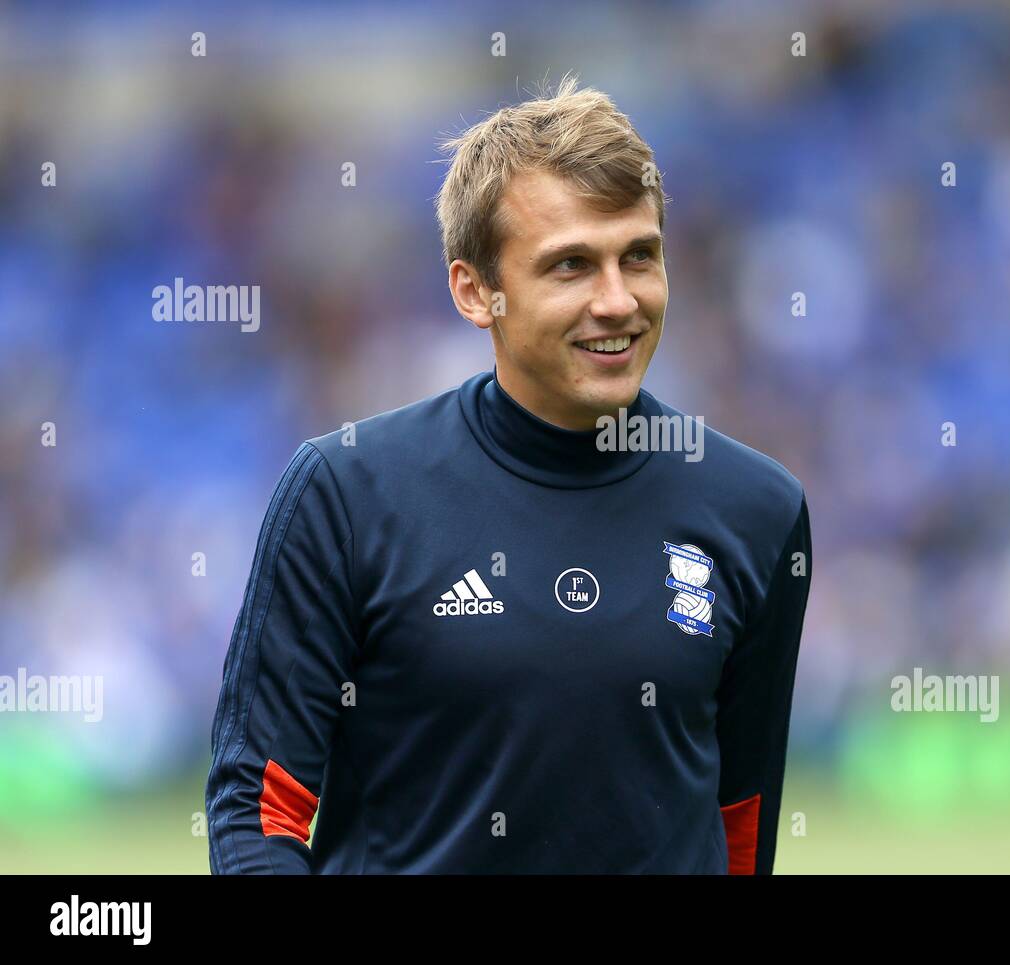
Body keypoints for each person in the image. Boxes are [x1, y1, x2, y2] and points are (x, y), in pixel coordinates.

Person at [205, 75, 812, 874]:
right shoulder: (346, 494)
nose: (617, 299)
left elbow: (741, 824)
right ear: (475, 291)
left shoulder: (758, 510)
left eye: (640, 255)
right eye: (571, 266)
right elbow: (260, 813)